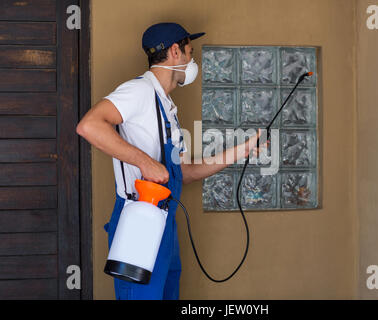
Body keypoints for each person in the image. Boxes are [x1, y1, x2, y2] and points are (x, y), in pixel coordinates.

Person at [76, 22, 265, 300]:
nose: (192, 60)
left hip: (166, 220)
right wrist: (144, 162)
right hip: (140, 221)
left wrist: (243, 150)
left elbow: (184, 173)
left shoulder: (167, 107)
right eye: (190, 52)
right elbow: (89, 125)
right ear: (175, 52)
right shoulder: (139, 91)